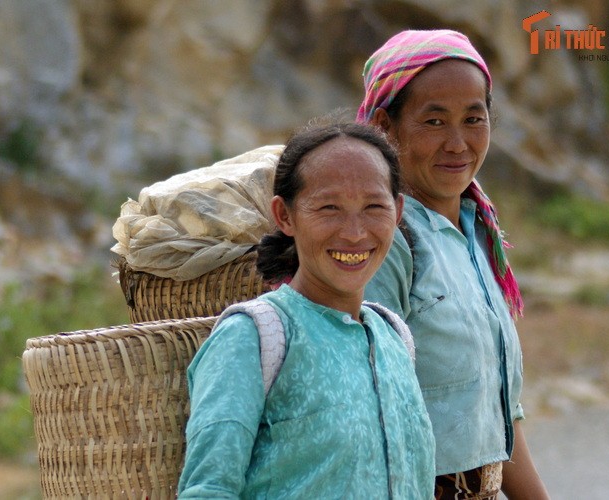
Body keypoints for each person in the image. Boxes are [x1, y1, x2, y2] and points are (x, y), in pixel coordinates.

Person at [177, 122, 436, 499]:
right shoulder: (252, 336)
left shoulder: (394, 336)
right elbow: (209, 490)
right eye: (329, 207)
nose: (354, 233)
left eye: (373, 207)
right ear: (285, 216)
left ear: (397, 213)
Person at [358, 30, 550, 499]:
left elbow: (498, 411)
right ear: (385, 126)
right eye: (434, 121)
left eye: (474, 119)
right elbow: (364, 415)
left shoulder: (477, 231)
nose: (458, 143)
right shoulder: (386, 240)